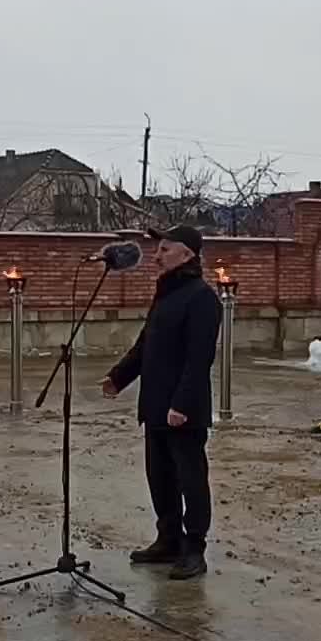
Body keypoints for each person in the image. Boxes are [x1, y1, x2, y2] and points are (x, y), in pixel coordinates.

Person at [100, 225, 222, 580]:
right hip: (154, 404)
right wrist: (119, 377)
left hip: (183, 410)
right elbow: (146, 345)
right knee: (160, 477)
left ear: (187, 254)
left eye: (165, 249)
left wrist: (181, 404)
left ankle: (194, 548)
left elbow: (199, 358)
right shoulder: (167, 294)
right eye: (158, 249)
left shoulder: (202, 298)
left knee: (190, 478)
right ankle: (168, 539)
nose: (156, 256)